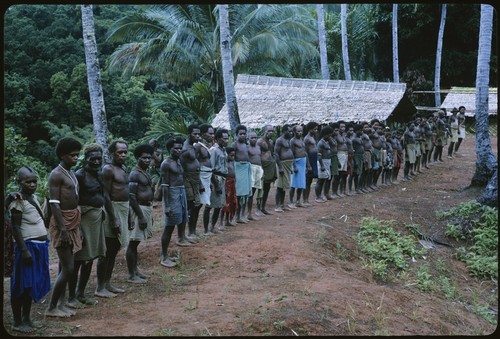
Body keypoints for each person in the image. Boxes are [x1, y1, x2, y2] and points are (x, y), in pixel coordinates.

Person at [7, 167, 51, 330]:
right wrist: (24, 250)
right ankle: (18, 322)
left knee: (31, 285)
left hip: (39, 247)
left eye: (34, 181)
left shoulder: (33, 197)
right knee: (21, 284)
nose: (32, 184)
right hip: (27, 248)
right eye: (28, 181)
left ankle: (27, 318)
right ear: (19, 182)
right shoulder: (18, 200)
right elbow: (16, 227)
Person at [46, 137, 83, 317]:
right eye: (72, 155)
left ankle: (60, 303)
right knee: (68, 267)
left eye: (77, 155)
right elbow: (54, 203)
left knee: (64, 265)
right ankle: (52, 307)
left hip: (72, 220)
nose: (75, 158)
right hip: (62, 223)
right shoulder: (56, 174)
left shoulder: (71, 172)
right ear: (62, 155)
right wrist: (62, 229)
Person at [68, 144, 107, 307]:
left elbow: (104, 195)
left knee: (90, 257)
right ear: (86, 159)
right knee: (78, 259)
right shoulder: (80, 175)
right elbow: (73, 202)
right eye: (93, 159)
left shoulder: (99, 174)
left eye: (99, 158)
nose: (97, 162)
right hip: (83, 221)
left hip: (96, 219)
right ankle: (71, 297)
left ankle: (81, 293)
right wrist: (79, 228)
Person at [95, 139, 130, 297]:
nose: (123, 155)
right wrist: (113, 217)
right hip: (112, 210)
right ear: (111, 154)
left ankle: (107, 283)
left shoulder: (122, 168)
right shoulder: (108, 170)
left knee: (115, 248)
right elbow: (106, 195)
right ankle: (100, 287)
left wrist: (127, 216)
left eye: (125, 152)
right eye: (119, 152)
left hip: (123, 208)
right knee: (107, 249)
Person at [126, 144, 155, 283]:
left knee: (136, 243)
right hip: (139, 209)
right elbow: (131, 197)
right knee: (133, 242)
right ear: (138, 158)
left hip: (146, 208)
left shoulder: (144, 171)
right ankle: (131, 275)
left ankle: (136, 271)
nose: (147, 160)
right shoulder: (135, 174)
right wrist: (141, 216)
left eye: (149, 157)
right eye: (144, 158)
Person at [159, 136, 188, 268]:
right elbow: (164, 185)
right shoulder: (166, 164)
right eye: (176, 148)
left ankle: (179, 241)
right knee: (169, 226)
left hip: (181, 192)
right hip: (172, 194)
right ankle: (163, 256)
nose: (179, 150)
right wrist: (167, 205)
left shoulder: (178, 161)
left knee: (182, 219)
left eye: (180, 148)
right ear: (170, 149)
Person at [203, 128, 229, 233]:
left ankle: (212, 227)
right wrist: (215, 184)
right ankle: (206, 230)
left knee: (219, 205)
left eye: (227, 138)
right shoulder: (214, 150)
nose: (226, 141)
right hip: (215, 179)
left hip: (222, 178)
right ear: (218, 139)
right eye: (224, 139)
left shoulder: (223, 150)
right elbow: (210, 168)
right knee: (209, 205)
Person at [181, 124, 203, 242]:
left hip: (195, 178)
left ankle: (192, 231)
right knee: (190, 205)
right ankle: (185, 234)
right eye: (195, 134)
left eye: (199, 134)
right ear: (189, 134)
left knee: (197, 204)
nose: (198, 136)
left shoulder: (193, 146)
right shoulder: (185, 148)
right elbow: (182, 166)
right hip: (187, 179)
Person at [196, 124, 215, 234]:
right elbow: (195, 164)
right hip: (201, 176)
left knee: (206, 204)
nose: (212, 136)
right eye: (210, 133)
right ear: (203, 134)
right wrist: (199, 182)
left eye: (213, 133)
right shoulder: (198, 146)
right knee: (197, 205)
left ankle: (206, 230)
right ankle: (192, 231)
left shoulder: (208, 146)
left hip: (208, 176)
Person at [232, 125, 252, 223]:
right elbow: (231, 158)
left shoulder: (246, 145)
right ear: (236, 135)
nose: (243, 136)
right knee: (239, 194)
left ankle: (242, 215)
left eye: (244, 134)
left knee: (245, 194)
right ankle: (236, 216)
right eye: (241, 134)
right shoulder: (234, 145)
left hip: (246, 168)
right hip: (238, 169)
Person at [274, 124, 295, 212]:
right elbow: (276, 153)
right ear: (284, 131)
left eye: (291, 131)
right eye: (289, 131)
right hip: (282, 165)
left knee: (284, 186)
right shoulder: (279, 140)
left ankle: (282, 205)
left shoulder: (288, 140)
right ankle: (278, 206)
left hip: (288, 165)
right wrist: (280, 167)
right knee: (280, 186)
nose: (291, 133)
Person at [257, 125, 276, 215]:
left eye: (272, 131)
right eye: (269, 131)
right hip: (262, 166)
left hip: (270, 166)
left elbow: (271, 153)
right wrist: (260, 168)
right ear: (265, 131)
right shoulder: (260, 142)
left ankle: (263, 207)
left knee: (267, 187)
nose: (271, 133)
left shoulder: (271, 142)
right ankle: (258, 208)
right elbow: (257, 155)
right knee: (260, 187)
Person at [289, 124, 309, 207]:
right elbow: (292, 153)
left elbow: (305, 152)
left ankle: (298, 201)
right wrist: (294, 166)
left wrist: (308, 164)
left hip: (303, 162)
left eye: (301, 131)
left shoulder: (302, 140)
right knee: (293, 183)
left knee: (301, 183)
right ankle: (291, 202)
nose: (300, 132)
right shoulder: (292, 141)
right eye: (298, 131)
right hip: (296, 162)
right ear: (294, 132)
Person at [246, 130, 264, 220]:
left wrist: (261, 170)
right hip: (251, 169)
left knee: (255, 191)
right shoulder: (247, 147)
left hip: (258, 169)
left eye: (255, 138)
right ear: (248, 139)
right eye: (252, 138)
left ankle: (253, 212)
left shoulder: (258, 147)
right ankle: (248, 213)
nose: (254, 139)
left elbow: (259, 158)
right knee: (250, 193)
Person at [220, 147, 237, 227]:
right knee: (225, 203)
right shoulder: (225, 163)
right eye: (231, 155)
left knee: (230, 203)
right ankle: (220, 222)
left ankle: (227, 220)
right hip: (227, 183)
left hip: (232, 183)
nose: (232, 157)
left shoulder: (232, 162)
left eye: (233, 156)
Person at [315, 126, 333, 202]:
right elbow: (319, 155)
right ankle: (318, 196)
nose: (330, 136)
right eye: (328, 135)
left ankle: (326, 194)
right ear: (324, 135)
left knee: (328, 179)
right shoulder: (320, 143)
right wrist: (322, 165)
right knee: (321, 180)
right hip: (322, 162)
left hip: (328, 161)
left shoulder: (327, 142)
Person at [303, 121, 319, 205]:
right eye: (315, 129)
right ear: (310, 129)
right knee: (308, 180)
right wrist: (308, 164)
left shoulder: (313, 137)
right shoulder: (307, 138)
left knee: (310, 180)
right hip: (310, 158)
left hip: (314, 158)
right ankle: (304, 200)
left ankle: (307, 199)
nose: (316, 131)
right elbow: (305, 152)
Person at [148, 138, 163, 204]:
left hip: (157, 170)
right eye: (150, 144)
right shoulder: (148, 152)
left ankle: (156, 198)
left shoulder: (159, 151)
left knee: (155, 183)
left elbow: (159, 160)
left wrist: (153, 154)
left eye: (152, 144)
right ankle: (151, 198)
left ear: (156, 145)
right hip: (150, 169)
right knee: (150, 184)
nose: (151, 145)